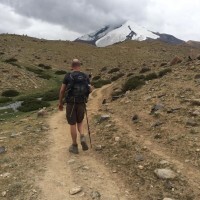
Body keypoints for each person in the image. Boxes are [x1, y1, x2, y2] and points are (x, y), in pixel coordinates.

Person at [58, 59, 92, 154]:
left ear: (72, 66)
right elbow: (90, 89)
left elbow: (62, 91)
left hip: (71, 103)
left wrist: (60, 103)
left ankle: (74, 146)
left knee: (72, 124)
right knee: (80, 122)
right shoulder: (85, 76)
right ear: (79, 66)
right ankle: (82, 136)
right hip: (81, 102)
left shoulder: (68, 75)